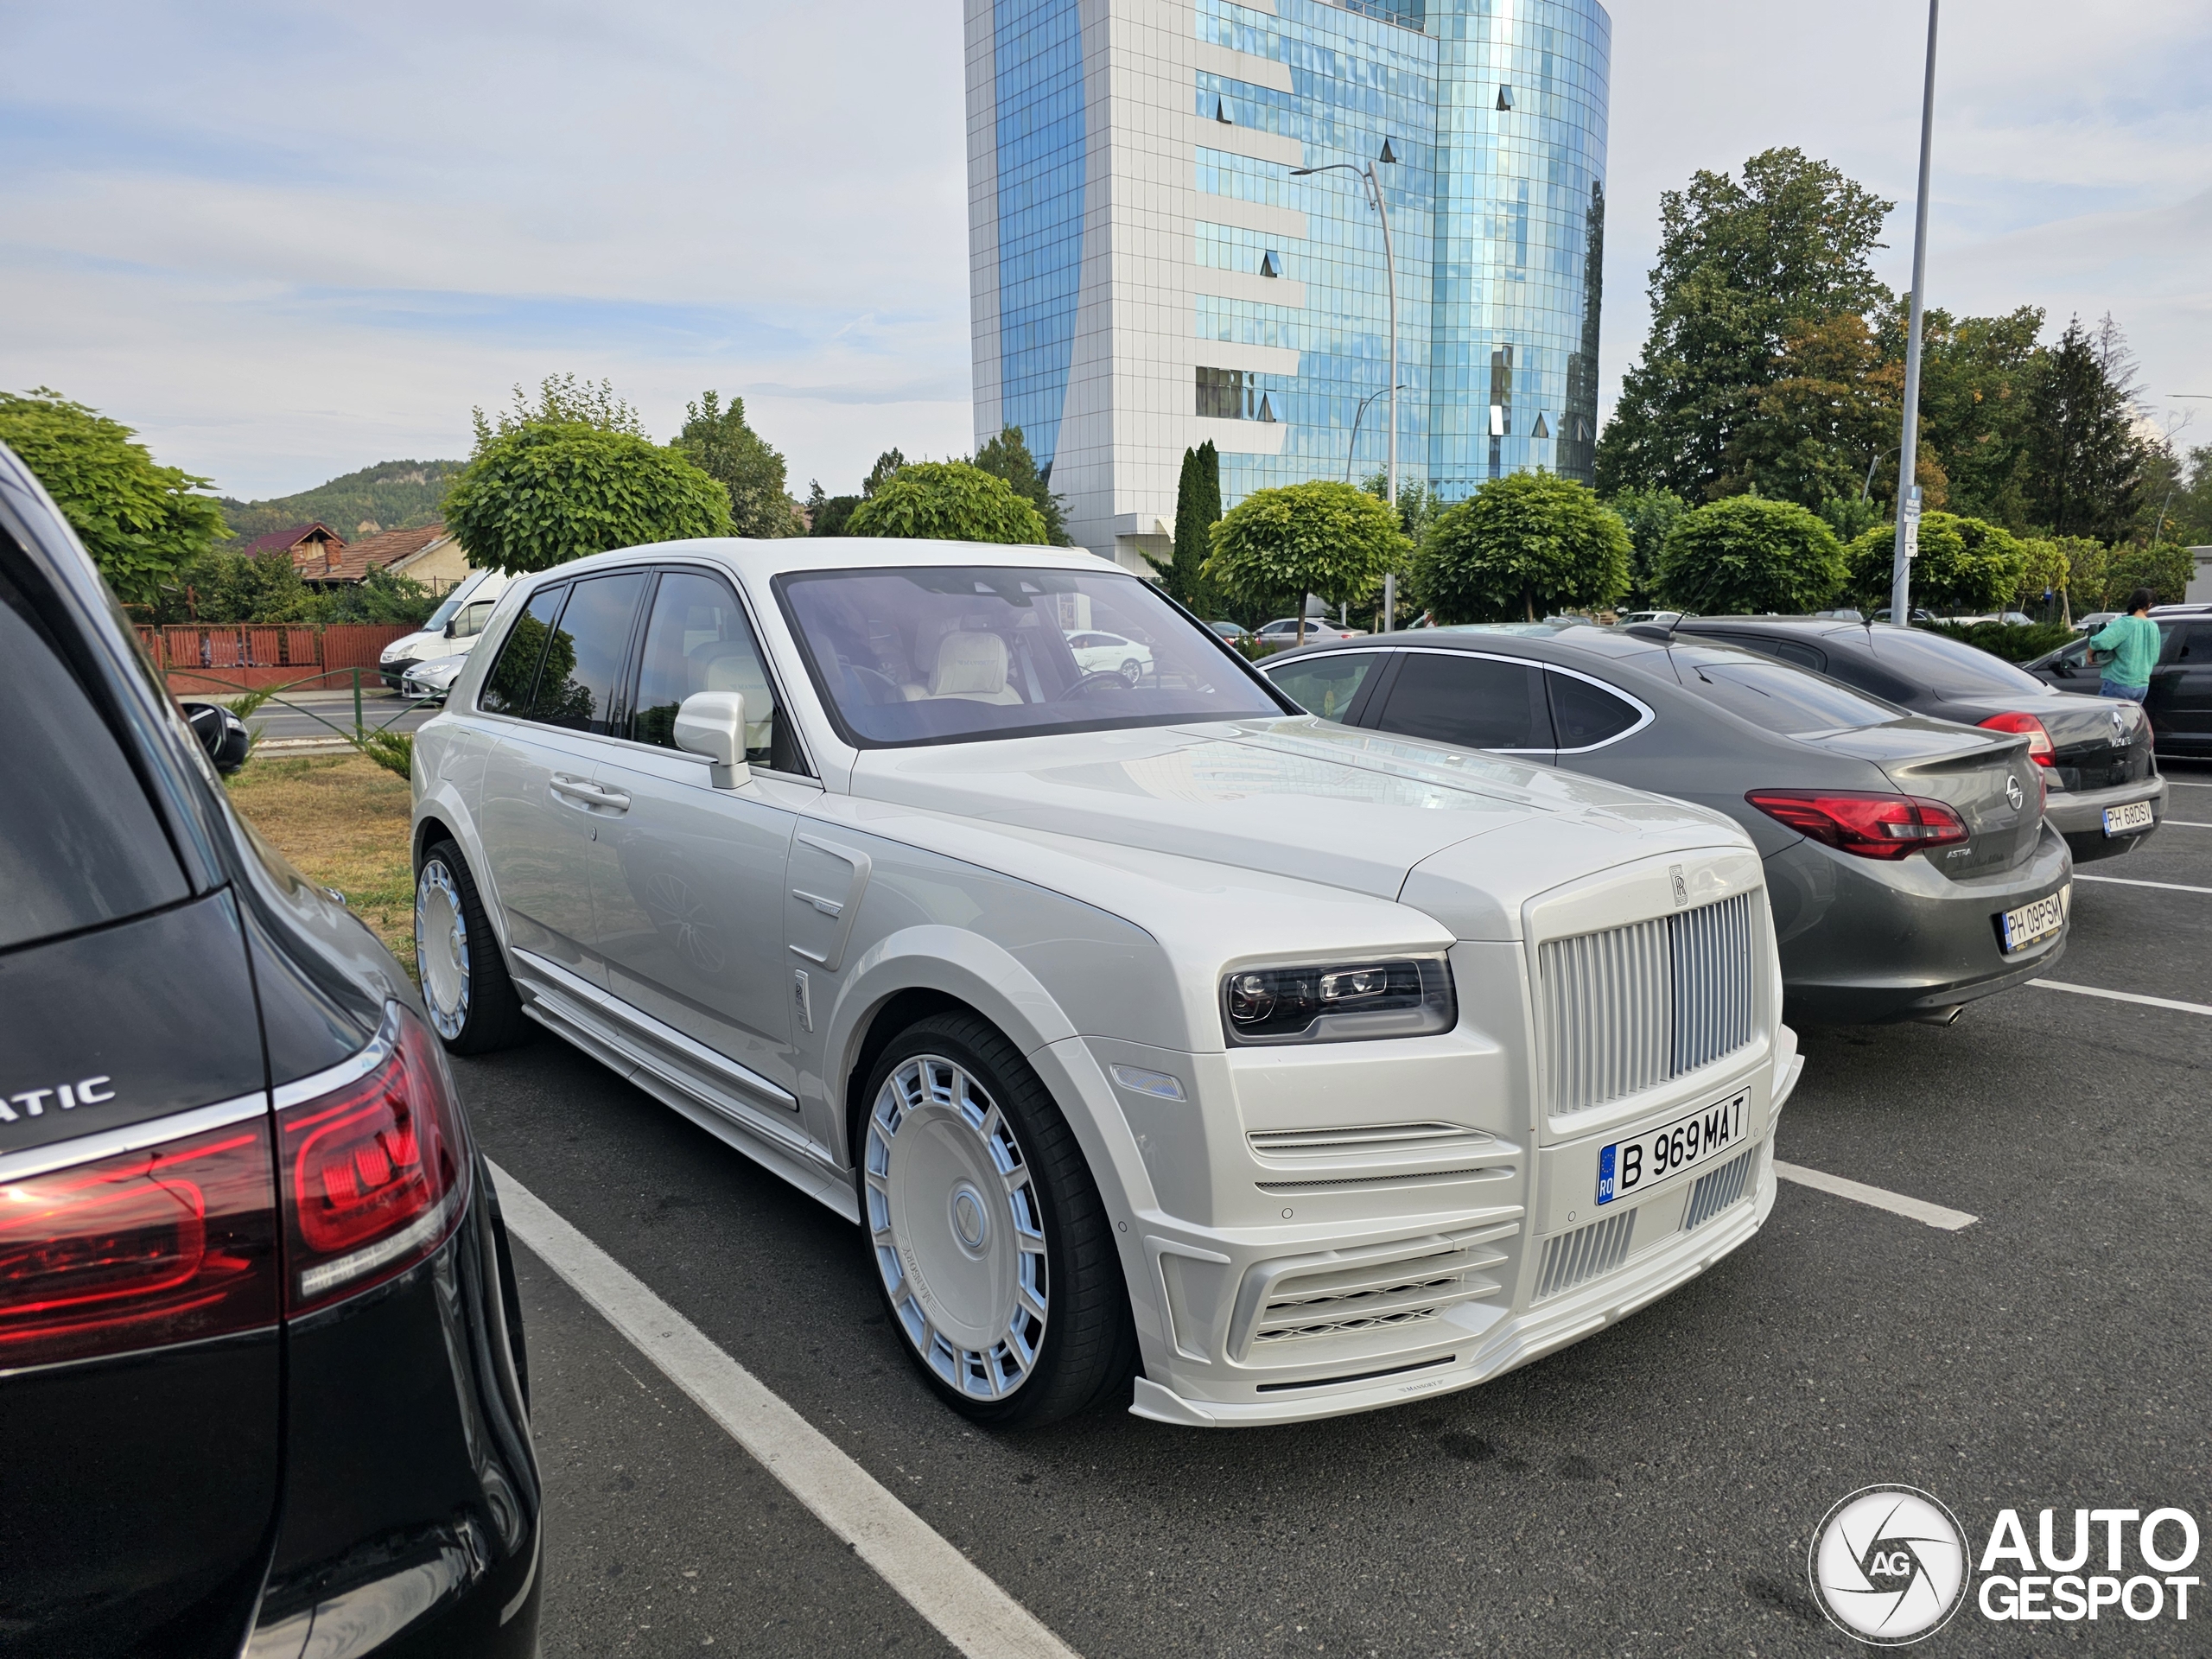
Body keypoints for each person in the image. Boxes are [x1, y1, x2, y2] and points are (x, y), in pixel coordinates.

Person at [2088, 588, 2160, 702]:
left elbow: (2099, 642)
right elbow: (2154, 658)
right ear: (2149, 605)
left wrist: (2089, 655)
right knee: (2129, 719)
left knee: (2108, 718)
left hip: (2119, 683)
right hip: (2142, 686)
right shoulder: (2153, 626)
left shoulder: (2125, 623)